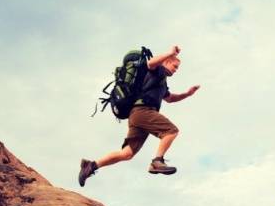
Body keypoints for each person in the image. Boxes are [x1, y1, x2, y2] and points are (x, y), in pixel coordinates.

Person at [79, 45, 200, 186]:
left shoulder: (161, 81)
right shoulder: (157, 70)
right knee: (171, 131)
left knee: (127, 153)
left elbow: (171, 98)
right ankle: (157, 162)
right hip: (143, 111)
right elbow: (151, 63)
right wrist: (169, 53)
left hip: (137, 116)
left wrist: (187, 94)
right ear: (166, 61)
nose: (176, 69)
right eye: (175, 66)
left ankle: (91, 166)